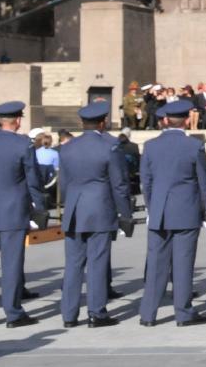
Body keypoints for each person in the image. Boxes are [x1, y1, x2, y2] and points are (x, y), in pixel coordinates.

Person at [138, 99, 206, 327]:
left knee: (155, 264)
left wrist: (152, 207)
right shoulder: (194, 145)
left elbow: (147, 181)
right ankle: (183, 313)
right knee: (183, 264)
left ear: (164, 121)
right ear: (186, 121)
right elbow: (203, 182)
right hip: (186, 211)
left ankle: (148, 315)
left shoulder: (151, 146)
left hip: (159, 211)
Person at [0, 101, 46, 329]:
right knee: (12, 264)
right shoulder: (23, 144)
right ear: (18, 120)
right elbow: (33, 180)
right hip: (13, 210)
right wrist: (41, 208)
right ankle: (13, 313)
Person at [59, 101, 133, 328]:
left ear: (82, 123)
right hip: (100, 209)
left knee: (73, 264)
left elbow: (63, 183)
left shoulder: (67, 147)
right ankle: (96, 312)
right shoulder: (110, 147)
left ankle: (69, 315)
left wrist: (66, 205)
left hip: (74, 210)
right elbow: (119, 184)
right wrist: (125, 214)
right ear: (103, 123)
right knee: (98, 263)